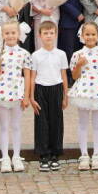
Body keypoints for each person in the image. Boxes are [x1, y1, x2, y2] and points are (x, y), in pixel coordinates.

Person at [69, 22, 98, 170]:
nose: (90, 37)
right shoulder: (77, 54)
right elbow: (74, 76)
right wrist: (79, 64)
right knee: (82, 123)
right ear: (82, 36)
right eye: (87, 34)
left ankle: (97, 155)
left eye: (93, 34)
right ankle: (84, 155)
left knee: (97, 124)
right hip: (83, 90)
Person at [0, 21, 32, 173]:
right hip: (2, 92)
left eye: (13, 33)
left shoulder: (24, 54)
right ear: (2, 35)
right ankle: (5, 157)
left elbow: (27, 76)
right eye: (7, 33)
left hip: (17, 92)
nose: (10, 36)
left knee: (16, 126)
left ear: (18, 35)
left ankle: (16, 155)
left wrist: (26, 95)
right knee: (4, 127)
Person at [28, 20, 68, 172]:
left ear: (56, 35)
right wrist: (31, 97)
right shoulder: (36, 55)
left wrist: (65, 95)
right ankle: (43, 155)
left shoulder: (61, 54)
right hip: (40, 89)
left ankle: (55, 154)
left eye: (51, 33)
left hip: (56, 89)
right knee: (42, 123)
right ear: (39, 36)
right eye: (45, 33)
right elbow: (32, 76)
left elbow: (64, 75)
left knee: (56, 122)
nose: (49, 36)